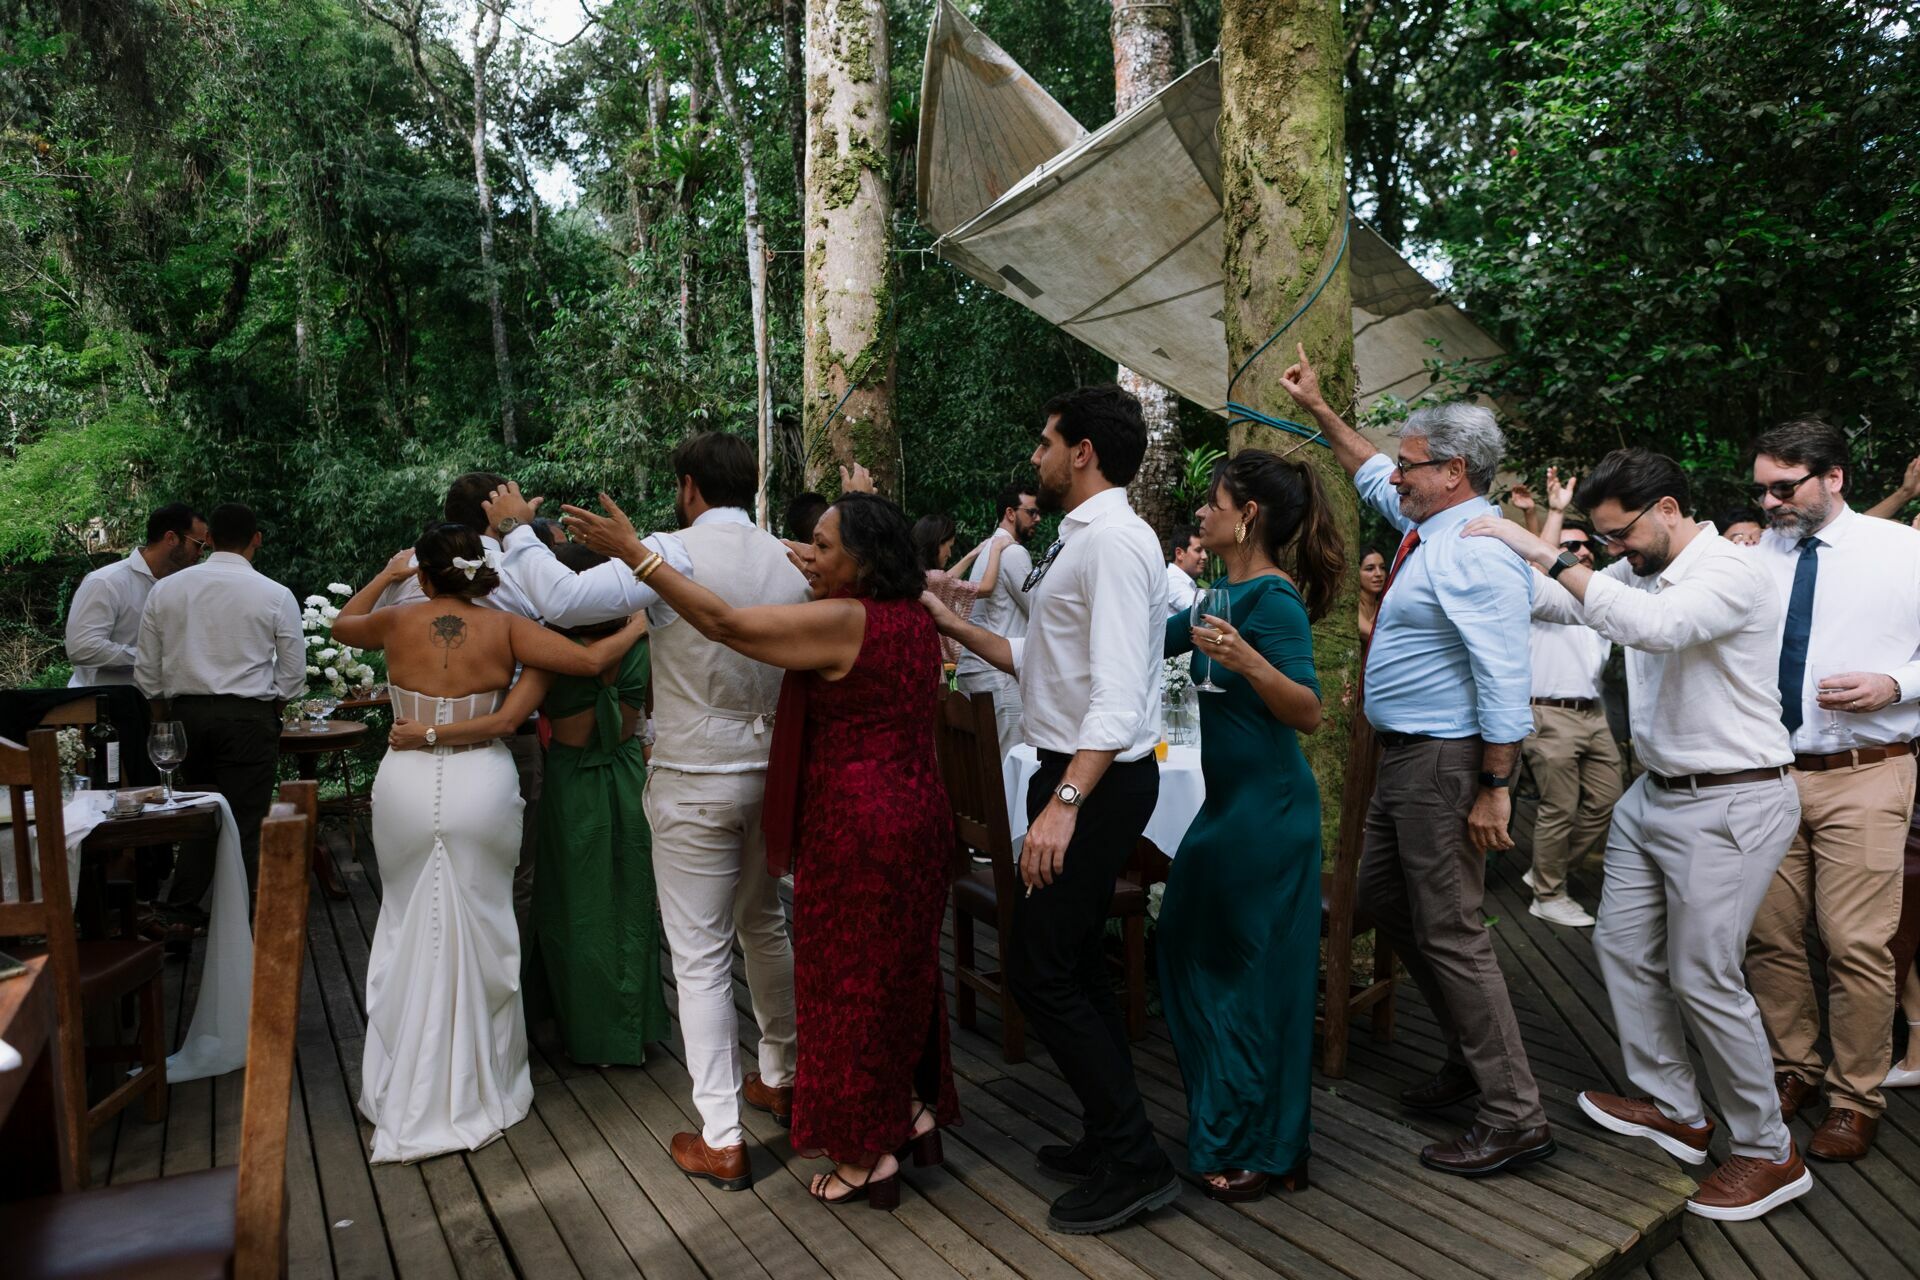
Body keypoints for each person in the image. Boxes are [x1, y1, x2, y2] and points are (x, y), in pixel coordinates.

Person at [569, 490, 958, 1210]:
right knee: (896, 981)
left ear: (864, 562)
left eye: (824, 546)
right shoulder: (912, 618)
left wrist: (637, 556)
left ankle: (862, 1157)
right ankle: (904, 1112)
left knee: (843, 988)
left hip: (860, 829)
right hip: (919, 816)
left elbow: (726, 625)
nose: (809, 557)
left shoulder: (845, 620)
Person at [1466, 447, 1812, 1222]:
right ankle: (1676, 1110)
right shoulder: (1640, 566)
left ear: (1668, 509)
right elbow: (1561, 604)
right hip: (1652, 796)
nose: (1614, 548)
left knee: (1705, 976)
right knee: (1621, 946)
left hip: (1731, 799)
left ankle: (1770, 1152)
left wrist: (1541, 548)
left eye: (1621, 533)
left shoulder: (1730, 570)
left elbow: (1654, 628)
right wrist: (1488, 544)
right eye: (1605, 538)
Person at [487, 434, 803, 1192]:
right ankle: (783, 1078)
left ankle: (723, 1136)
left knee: (698, 955)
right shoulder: (789, 558)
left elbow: (560, 601)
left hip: (695, 778)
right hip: (771, 772)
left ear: (689, 487)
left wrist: (516, 532)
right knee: (764, 923)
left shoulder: (670, 552)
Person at [1279, 347, 1551, 1177]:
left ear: (1453, 472)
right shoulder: (1426, 528)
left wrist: (1496, 786)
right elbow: (1369, 472)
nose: (1395, 476)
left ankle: (1515, 1114)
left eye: (1410, 465)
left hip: (1444, 763)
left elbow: (1503, 678)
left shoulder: (1475, 550)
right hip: (1405, 761)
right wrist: (1319, 409)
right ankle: (1472, 1056)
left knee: (1453, 932)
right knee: (1389, 901)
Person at [926, 383, 1179, 1235]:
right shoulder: (1083, 539)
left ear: (1083, 452)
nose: (1035, 455)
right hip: (1073, 774)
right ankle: (1112, 1135)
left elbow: (1117, 692)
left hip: (1094, 782)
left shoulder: (1114, 543)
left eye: (1045, 441)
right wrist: (942, 614)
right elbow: (1038, 656)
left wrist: (1066, 800)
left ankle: (1137, 1159)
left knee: (1038, 967)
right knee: (1066, 960)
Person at [331, 526, 645, 1163]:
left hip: (404, 785)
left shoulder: (395, 621)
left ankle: (401, 1080)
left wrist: (388, 576)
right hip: (482, 783)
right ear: (481, 573)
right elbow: (587, 665)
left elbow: (341, 625)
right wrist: (639, 623)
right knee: (484, 918)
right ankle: (479, 1079)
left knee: (405, 917)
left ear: (425, 575)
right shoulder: (510, 630)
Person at [393, 541, 669, 1069]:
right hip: (628, 774)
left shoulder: (549, 650)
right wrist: (637, 627)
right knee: (632, 896)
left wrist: (428, 732)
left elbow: (505, 719)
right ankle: (634, 1027)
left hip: (572, 779)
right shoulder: (642, 642)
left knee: (573, 902)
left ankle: (582, 1029)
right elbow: (648, 713)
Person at [1157, 449, 1342, 1201]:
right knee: (1185, 944)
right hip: (1226, 809)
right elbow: (1147, 641)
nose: (1202, 512)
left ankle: (1271, 1147)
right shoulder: (1216, 596)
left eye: (1214, 501)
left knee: (1260, 980)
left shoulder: (1274, 601)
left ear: (1248, 516)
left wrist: (1248, 662)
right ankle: (1233, 1118)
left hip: (1271, 813)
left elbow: (1310, 710)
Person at [1741, 417, 1920, 1163]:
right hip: (1764, 775)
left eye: (1785, 488)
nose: (1770, 503)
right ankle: (1794, 1067)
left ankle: (1854, 1099)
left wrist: (1896, 684)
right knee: (1770, 936)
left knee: (1855, 944)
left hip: (1867, 772)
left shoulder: (1903, 552)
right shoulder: (1749, 560)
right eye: (1761, 490)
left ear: (1834, 477)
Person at [378, 472, 547, 940]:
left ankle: (423, 962)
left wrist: (387, 575)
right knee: (511, 877)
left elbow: (354, 626)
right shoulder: (522, 568)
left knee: (414, 879)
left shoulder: (410, 573)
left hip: (410, 751)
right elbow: (567, 632)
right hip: (502, 744)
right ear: (495, 511)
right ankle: (506, 975)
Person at [136, 502, 305, 900]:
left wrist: (162, 716)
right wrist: (274, 708)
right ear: (257, 539)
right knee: (245, 819)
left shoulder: (166, 590)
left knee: (196, 813)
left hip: (186, 716)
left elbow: (147, 669)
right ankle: (241, 917)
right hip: (249, 717)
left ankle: (183, 908)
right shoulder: (275, 594)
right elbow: (293, 672)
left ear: (209, 538)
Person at [1517, 510, 1621, 930]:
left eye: (1587, 545)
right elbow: (1535, 564)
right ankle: (1548, 895)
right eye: (1571, 546)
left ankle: (1547, 868)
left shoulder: (1600, 596)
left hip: (1593, 713)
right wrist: (1552, 512)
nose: (1583, 552)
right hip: (1550, 712)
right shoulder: (1539, 594)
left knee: (1607, 799)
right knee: (1559, 807)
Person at [66, 503, 207, 687]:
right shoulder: (106, 582)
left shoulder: (185, 586)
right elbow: (82, 648)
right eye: (198, 544)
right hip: (103, 700)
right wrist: (150, 659)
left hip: (163, 700)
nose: (201, 553)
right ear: (171, 538)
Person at [954, 486, 1040, 756]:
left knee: (985, 764)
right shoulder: (1012, 552)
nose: (1038, 519)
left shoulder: (987, 550)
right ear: (1010, 513)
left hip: (974, 671)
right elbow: (1038, 608)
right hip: (998, 673)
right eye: (1032, 512)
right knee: (1009, 761)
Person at [1164, 524, 1204, 615]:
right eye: (1198, 550)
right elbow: (1202, 611)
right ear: (1179, 553)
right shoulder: (1172, 580)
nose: (1205, 556)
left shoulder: (1179, 580)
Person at [1355, 548, 1387, 646]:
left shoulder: (1384, 606)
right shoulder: (1352, 605)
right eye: (1370, 569)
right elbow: (1371, 634)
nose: (1379, 574)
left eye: (1382, 568)